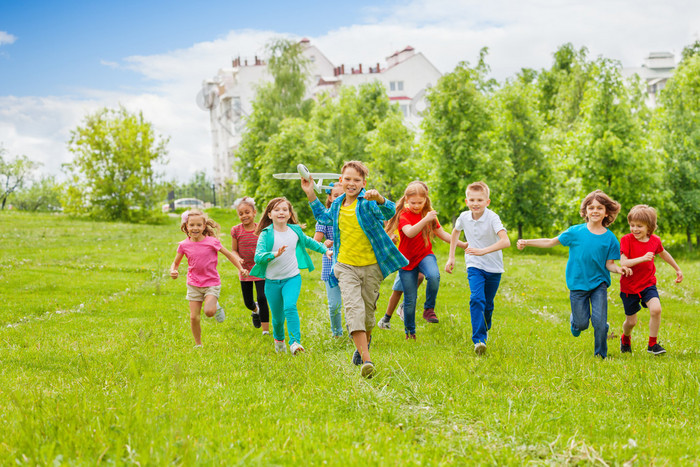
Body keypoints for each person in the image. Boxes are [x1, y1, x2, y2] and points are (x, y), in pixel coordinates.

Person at [301, 160, 407, 378]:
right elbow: (323, 217)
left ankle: (363, 344)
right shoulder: (338, 205)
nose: (351, 183)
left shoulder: (368, 202)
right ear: (341, 180)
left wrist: (380, 198)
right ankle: (367, 360)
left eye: (356, 180)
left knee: (368, 316)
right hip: (345, 266)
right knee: (353, 310)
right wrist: (311, 193)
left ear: (363, 183)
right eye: (347, 179)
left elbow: (389, 212)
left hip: (371, 267)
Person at [517, 189, 631, 359]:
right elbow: (550, 242)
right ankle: (575, 322)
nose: (595, 211)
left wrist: (619, 269)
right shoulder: (575, 232)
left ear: (606, 212)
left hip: (599, 284)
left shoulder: (610, 239)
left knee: (599, 322)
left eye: (599, 208)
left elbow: (610, 265)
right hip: (577, 284)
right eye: (591, 207)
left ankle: (600, 354)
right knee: (582, 323)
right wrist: (527, 242)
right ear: (585, 211)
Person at [384, 181, 467, 339]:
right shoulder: (404, 215)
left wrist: (462, 244)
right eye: (413, 202)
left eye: (420, 203)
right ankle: (410, 332)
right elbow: (409, 233)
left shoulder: (428, 214)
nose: (416, 206)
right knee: (410, 299)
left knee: (434, 276)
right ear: (406, 200)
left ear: (426, 200)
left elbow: (442, 234)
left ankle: (428, 309)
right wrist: (425, 219)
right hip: (406, 261)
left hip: (424, 255)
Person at [249, 197, 331, 355]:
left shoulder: (295, 231)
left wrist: (325, 250)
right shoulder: (266, 234)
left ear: (289, 214)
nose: (281, 212)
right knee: (278, 318)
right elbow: (258, 257)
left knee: (290, 307)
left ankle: (295, 342)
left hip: (292, 278)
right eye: (277, 209)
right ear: (269, 214)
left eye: (285, 209)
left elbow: (309, 242)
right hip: (272, 282)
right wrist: (274, 254)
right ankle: (279, 340)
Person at [446, 182, 511, 355]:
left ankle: (485, 322)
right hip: (474, 264)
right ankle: (479, 341)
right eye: (472, 200)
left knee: (487, 305)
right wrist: (451, 256)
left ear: (487, 202)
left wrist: (483, 251)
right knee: (476, 298)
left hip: (494, 267)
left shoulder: (493, 218)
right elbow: (455, 233)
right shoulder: (464, 217)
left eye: (480, 200)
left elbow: (506, 241)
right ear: (467, 201)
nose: (476, 203)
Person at [170, 209, 248, 347]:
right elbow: (175, 263)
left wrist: (240, 269)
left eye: (199, 225)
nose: (195, 228)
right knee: (194, 317)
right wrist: (173, 270)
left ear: (204, 226)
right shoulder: (184, 245)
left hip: (211, 283)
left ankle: (215, 306)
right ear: (186, 226)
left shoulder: (212, 242)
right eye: (192, 225)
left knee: (209, 312)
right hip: (193, 284)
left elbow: (229, 255)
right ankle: (198, 344)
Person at [619, 205, 683, 355]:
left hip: (647, 284)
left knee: (656, 309)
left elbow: (663, 253)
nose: (634, 229)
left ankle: (652, 344)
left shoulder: (654, 241)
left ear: (649, 227)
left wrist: (677, 268)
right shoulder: (626, 240)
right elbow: (623, 262)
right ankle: (625, 338)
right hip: (629, 286)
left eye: (639, 226)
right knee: (631, 322)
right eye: (632, 225)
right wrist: (642, 258)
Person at [230, 197, 270, 335]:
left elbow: (266, 247)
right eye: (241, 214)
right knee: (248, 302)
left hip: (260, 268)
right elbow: (234, 250)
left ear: (254, 212)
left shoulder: (261, 229)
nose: (244, 216)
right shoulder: (236, 230)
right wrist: (238, 260)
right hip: (245, 270)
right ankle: (255, 310)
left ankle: (265, 330)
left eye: (247, 212)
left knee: (262, 298)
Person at [313, 183, 345, 338]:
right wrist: (324, 245)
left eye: (342, 194)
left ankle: (355, 331)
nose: (338, 198)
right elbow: (315, 242)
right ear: (330, 198)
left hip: (350, 262)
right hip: (330, 263)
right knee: (334, 305)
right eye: (335, 195)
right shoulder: (325, 218)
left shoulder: (353, 215)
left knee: (353, 304)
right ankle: (337, 333)